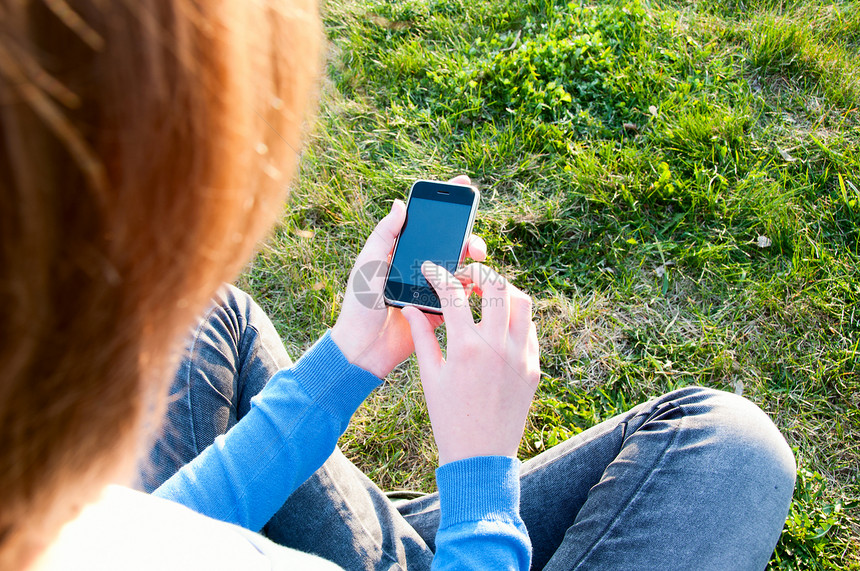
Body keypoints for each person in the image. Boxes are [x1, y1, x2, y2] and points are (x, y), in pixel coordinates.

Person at [0, 1, 795, 570]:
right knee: (733, 449)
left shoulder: (82, 531)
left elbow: (160, 524)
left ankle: (406, 535)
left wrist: (349, 353)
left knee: (215, 320)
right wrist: (481, 476)